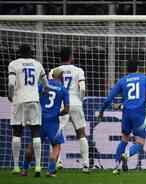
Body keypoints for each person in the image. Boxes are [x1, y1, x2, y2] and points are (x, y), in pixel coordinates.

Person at [97, 58, 146, 175]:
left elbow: (109, 99)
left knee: (124, 139)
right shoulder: (144, 78)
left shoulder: (122, 81)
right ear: (138, 68)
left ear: (126, 69)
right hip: (139, 114)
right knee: (140, 142)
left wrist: (102, 111)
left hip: (126, 114)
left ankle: (116, 167)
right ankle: (127, 154)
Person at [8, 44, 49, 177]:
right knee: (36, 132)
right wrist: (44, 91)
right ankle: (37, 166)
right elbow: (46, 83)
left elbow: (10, 83)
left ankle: (16, 166)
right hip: (34, 100)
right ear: (31, 53)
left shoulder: (14, 64)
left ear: (19, 53)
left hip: (19, 100)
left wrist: (10, 95)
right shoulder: (38, 64)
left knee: (17, 132)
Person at [22, 68, 69, 177]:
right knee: (56, 146)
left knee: (32, 145)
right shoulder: (63, 89)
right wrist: (58, 113)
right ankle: (50, 171)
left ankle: (24, 169)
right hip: (53, 122)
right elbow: (67, 109)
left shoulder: (42, 86)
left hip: (40, 120)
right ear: (61, 77)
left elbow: (33, 97)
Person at [49, 47, 89, 172]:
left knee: (56, 133)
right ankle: (85, 165)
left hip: (61, 105)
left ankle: (58, 161)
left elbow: (50, 89)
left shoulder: (53, 71)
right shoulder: (78, 70)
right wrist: (80, 100)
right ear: (71, 57)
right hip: (76, 103)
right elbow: (82, 88)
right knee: (81, 134)